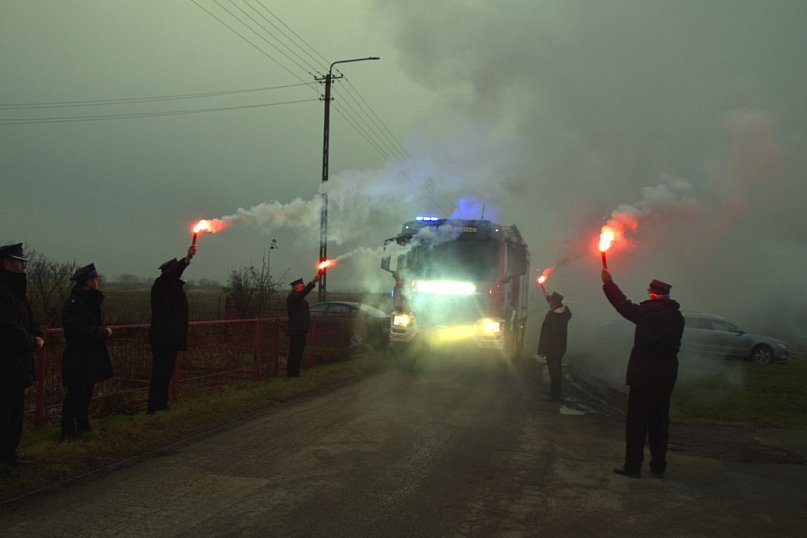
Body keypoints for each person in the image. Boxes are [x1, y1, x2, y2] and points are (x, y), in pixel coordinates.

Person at [601, 268, 684, 479]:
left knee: (637, 424)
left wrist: (609, 284)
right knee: (659, 424)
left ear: (653, 294)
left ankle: (633, 466)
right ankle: (658, 466)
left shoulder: (650, 313)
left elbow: (623, 305)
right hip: (665, 378)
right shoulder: (677, 317)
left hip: (644, 377)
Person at [0, 243, 44, 477]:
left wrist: (37, 334)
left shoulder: (17, 292)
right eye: (19, 262)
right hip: (5, 363)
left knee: (14, 413)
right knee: (3, 413)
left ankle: (9, 455)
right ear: (7, 263)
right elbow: (7, 327)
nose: (23, 266)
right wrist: (31, 341)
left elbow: (30, 319)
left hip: (16, 364)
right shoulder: (3, 291)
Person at [60, 263, 113, 440]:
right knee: (75, 394)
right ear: (87, 282)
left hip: (90, 356)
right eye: (95, 279)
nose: (98, 282)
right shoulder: (74, 304)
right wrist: (102, 332)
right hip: (78, 356)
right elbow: (79, 329)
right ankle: (67, 431)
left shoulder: (90, 301)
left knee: (86, 393)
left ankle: (83, 427)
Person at [147, 245, 196, 414]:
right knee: (160, 372)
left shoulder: (173, 288)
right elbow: (171, 275)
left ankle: (162, 403)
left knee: (166, 372)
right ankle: (154, 406)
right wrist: (187, 259)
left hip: (172, 337)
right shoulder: (161, 285)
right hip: (163, 337)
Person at [537, 291, 572, 402]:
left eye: (551, 301)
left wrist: (543, 349)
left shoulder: (554, 316)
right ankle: (555, 395)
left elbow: (547, 335)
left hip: (553, 349)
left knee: (555, 372)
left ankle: (555, 396)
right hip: (559, 348)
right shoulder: (562, 314)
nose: (550, 303)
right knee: (556, 372)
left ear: (555, 303)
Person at [286, 271, 321, 378]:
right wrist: (313, 282)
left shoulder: (300, 298)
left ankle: (295, 373)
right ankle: (291, 374)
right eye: (302, 285)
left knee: (299, 352)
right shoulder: (293, 297)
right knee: (294, 352)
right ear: (296, 287)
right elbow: (303, 293)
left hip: (301, 329)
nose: (303, 286)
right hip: (296, 329)